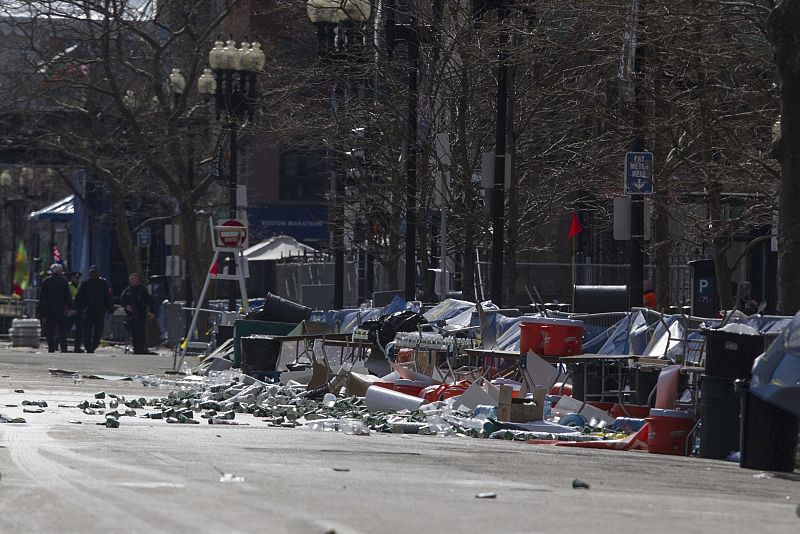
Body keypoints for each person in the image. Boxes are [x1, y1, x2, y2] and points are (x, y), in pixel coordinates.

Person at [75, 265, 115, 354]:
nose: (93, 275)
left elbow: (108, 296)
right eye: (92, 273)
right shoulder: (85, 283)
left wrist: (110, 308)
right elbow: (79, 297)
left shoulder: (103, 283)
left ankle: (93, 346)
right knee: (87, 331)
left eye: (95, 273)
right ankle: (88, 347)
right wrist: (80, 308)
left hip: (99, 311)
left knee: (98, 330)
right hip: (88, 311)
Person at [37, 264, 72, 353]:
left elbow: (42, 297)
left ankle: (51, 347)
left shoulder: (46, 280)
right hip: (61, 309)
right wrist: (68, 307)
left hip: (49, 310)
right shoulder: (64, 281)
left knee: (50, 330)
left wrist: (40, 310)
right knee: (62, 330)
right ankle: (64, 347)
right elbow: (68, 296)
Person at [121, 273, 155, 354]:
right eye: (131, 280)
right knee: (134, 333)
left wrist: (152, 312)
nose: (131, 281)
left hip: (141, 314)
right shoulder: (128, 290)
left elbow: (150, 301)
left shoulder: (142, 290)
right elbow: (122, 300)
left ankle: (142, 349)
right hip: (131, 315)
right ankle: (136, 349)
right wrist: (126, 306)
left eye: (133, 279)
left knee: (141, 333)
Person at [67, 272, 83, 352]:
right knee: (66, 328)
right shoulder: (68, 285)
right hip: (70, 309)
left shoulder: (81, 286)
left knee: (79, 329)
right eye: (75, 278)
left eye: (78, 278)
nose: (76, 279)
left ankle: (77, 347)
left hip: (79, 309)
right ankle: (58, 343)